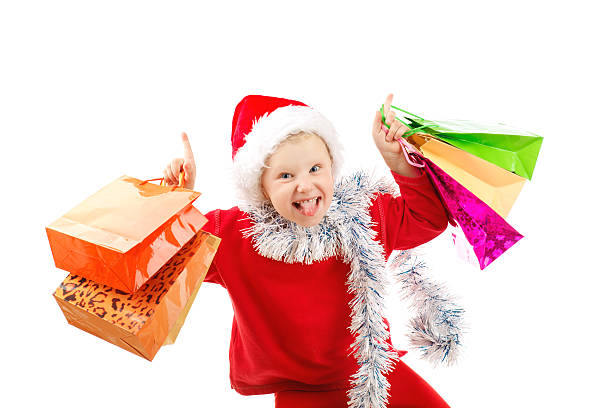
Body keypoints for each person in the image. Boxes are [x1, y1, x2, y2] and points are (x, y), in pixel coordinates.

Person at [163, 94, 451, 408]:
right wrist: (175, 203)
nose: (305, 185)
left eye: (315, 168)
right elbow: (170, 260)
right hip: (300, 391)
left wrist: (398, 162)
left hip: (375, 372)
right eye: (286, 175)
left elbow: (428, 219)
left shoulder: (365, 215)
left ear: (332, 167)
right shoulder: (234, 234)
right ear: (261, 186)